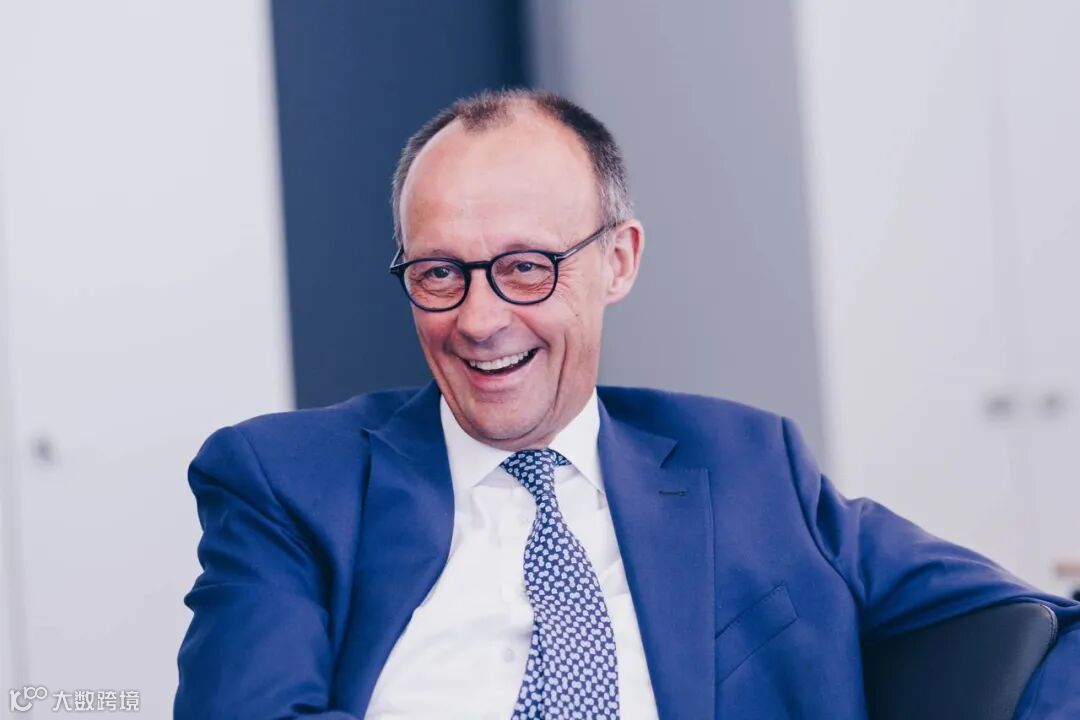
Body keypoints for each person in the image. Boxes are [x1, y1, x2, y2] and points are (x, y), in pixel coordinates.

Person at [174, 89, 1079, 719]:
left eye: (526, 267)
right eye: (440, 273)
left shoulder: (751, 465)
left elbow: (1050, 632)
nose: (479, 320)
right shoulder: (288, 482)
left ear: (618, 261)